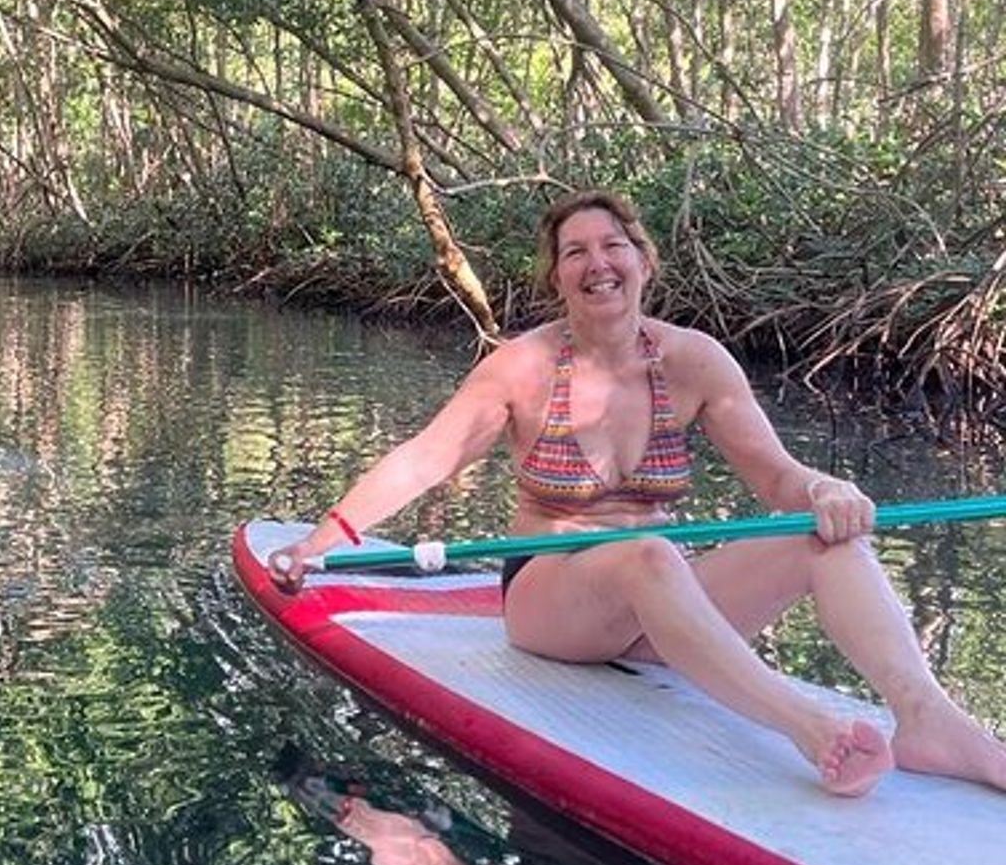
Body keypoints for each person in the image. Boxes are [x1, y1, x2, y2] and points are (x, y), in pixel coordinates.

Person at [269, 189, 1006, 799]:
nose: (597, 263)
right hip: (551, 604)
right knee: (646, 554)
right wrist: (320, 541)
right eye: (575, 252)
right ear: (555, 277)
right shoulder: (520, 368)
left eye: (612, 245)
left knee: (824, 536)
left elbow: (780, 481)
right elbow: (424, 459)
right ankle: (809, 729)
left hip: (660, 611)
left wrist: (825, 487)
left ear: (643, 260)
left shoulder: (696, 361)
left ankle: (930, 719)